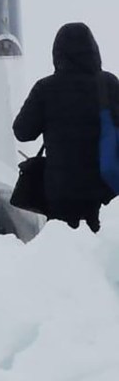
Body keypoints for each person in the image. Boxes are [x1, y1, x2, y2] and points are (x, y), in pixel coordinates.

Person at [13, 22, 119, 232]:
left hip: (60, 192)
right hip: (104, 189)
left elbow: (22, 131)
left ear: (57, 54)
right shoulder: (109, 83)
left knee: (64, 253)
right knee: (105, 249)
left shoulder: (46, 88)